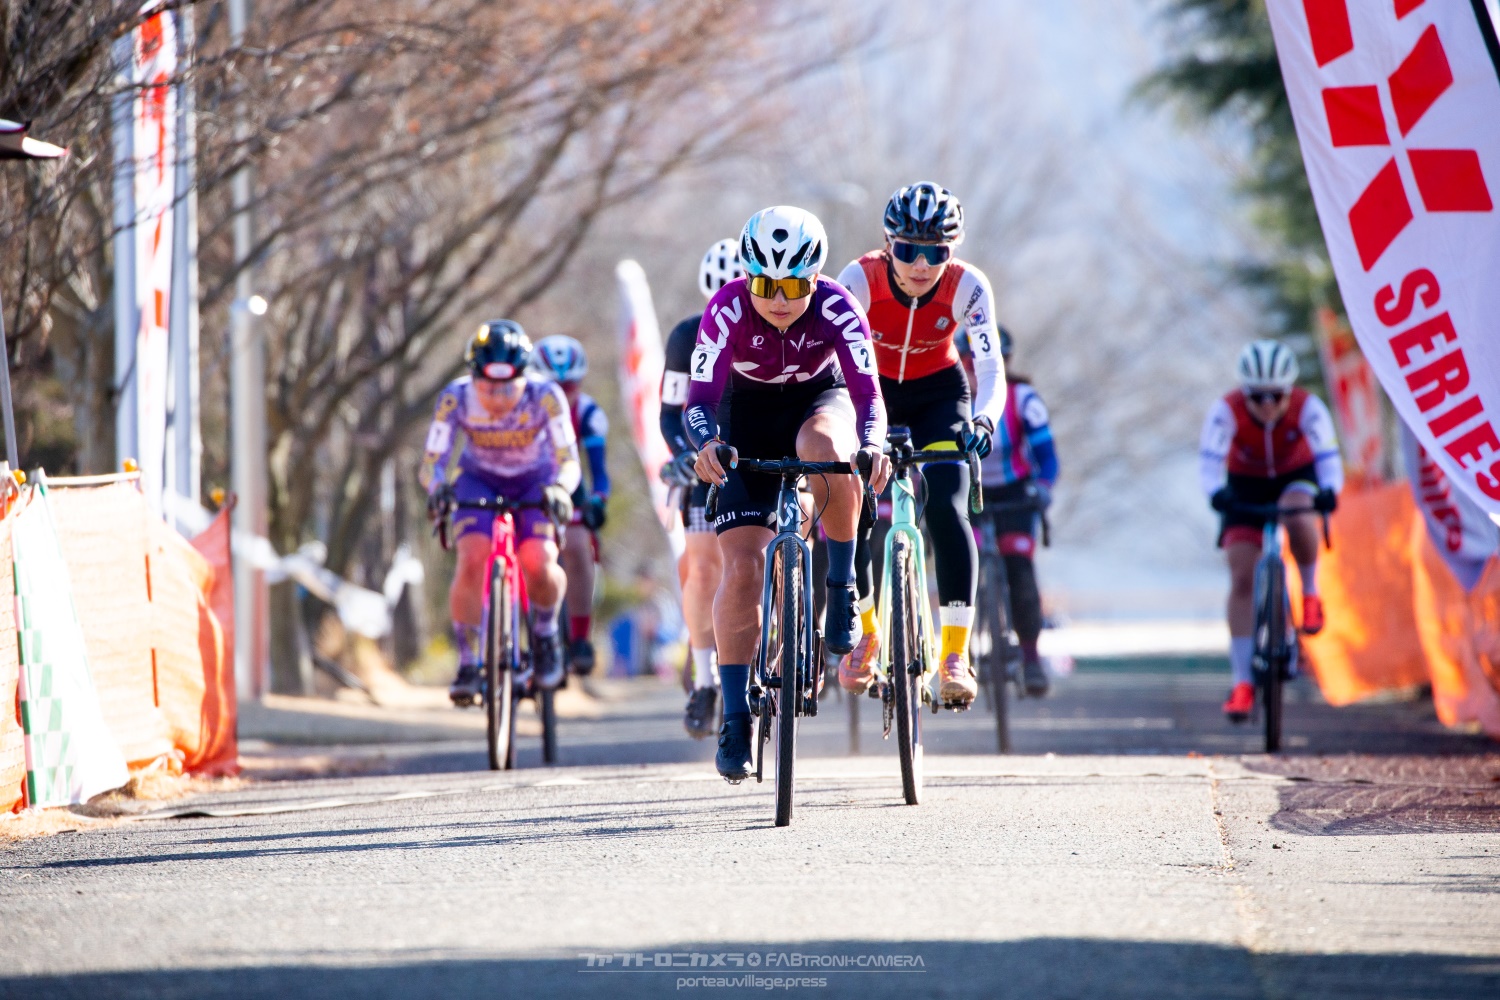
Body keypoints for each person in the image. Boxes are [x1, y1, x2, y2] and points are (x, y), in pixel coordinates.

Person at [685, 205, 892, 781]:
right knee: (743, 569)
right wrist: (706, 445)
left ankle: (843, 583)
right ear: (747, 274)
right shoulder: (725, 309)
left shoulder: (836, 307)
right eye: (766, 284)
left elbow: (868, 396)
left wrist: (872, 444)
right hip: (745, 414)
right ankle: (734, 716)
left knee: (827, 446)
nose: (780, 298)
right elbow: (698, 403)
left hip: (816, 403)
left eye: (795, 285)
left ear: (816, 279)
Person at [835, 181, 1006, 708]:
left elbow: (990, 364)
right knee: (854, 509)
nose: (921, 264)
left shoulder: (968, 286)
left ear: (951, 252)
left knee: (949, 508)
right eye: (908, 250)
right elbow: (833, 359)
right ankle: (866, 635)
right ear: (889, 245)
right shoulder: (857, 280)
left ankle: (955, 654)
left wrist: (985, 420)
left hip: (939, 393)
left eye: (936, 253)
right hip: (872, 390)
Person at [421, 321, 581, 705]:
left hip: (534, 479)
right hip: (479, 479)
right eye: (488, 387)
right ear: (472, 378)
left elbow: (568, 460)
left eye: (508, 387)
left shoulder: (546, 396)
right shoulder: (454, 397)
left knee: (538, 560)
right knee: (472, 556)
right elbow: (432, 460)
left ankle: (544, 634)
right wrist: (437, 487)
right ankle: (467, 661)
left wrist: (560, 488)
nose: (497, 397)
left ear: (525, 377)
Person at [1200, 339, 1343, 722]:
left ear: (1289, 391)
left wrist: (1331, 493)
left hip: (1295, 478)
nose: (1267, 405)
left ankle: (1310, 592)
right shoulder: (1225, 411)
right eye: (1257, 397)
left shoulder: (1309, 408)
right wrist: (1216, 495)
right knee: (1242, 577)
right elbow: (1210, 462)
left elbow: (1329, 460)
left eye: (1276, 396)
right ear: (1244, 392)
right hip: (1245, 484)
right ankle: (1242, 682)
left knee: (1299, 514)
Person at [660, 238, 744, 738]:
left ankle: (795, 636)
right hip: (706, 457)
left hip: (760, 452)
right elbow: (671, 413)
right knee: (705, 566)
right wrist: (684, 456)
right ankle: (705, 680)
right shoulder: (687, 336)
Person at [962, 327, 1058, 696]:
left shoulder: (1023, 398)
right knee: (964, 565)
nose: (977, 369)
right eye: (969, 361)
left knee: (1020, 570)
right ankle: (961, 654)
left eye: (990, 362)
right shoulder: (950, 396)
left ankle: (1032, 658)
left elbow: (1047, 456)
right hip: (969, 492)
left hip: (1015, 494)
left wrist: (1043, 488)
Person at [531, 335, 610, 675]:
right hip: (528, 481)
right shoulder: (522, 408)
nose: (563, 394)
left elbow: (599, 472)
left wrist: (597, 502)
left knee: (578, 546)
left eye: (571, 385)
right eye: (554, 385)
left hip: (570, 484)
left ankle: (579, 638)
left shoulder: (589, 413)